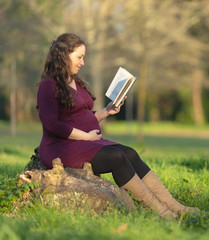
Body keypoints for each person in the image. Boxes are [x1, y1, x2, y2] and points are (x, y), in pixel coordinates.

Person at [37, 33, 199, 219]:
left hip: (85, 142)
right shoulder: (48, 85)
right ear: (64, 55)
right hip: (60, 147)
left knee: (130, 153)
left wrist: (107, 111)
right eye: (79, 57)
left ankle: (175, 206)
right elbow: (51, 124)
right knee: (117, 157)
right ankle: (161, 212)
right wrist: (86, 137)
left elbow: (83, 117)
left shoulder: (76, 82)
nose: (83, 62)